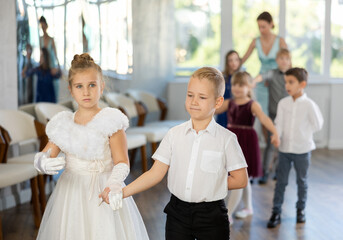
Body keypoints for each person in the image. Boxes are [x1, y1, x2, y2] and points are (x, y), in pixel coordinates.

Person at [119, 67, 248, 240]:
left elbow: (240, 179)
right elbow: (155, 173)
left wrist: (210, 183)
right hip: (177, 214)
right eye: (190, 95)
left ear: (217, 102)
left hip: (212, 216)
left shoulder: (227, 139)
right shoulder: (174, 134)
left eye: (202, 97)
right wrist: (123, 192)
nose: (194, 101)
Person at [33, 53, 149, 240]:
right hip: (71, 192)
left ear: (101, 87)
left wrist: (113, 183)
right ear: (71, 90)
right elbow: (47, 153)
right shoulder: (63, 123)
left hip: (104, 188)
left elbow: (122, 162)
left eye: (92, 85)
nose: (86, 92)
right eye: (79, 86)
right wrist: (42, 162)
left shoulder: (111, 120)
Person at [215, 71, 280, 223]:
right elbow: (212, 109)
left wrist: (275, 132)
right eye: (235, 84)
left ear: (249, 86)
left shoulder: (253, 105)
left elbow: (264, 118)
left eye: (242, 85)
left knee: (241, 178)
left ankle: (227, 214)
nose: (237, 88)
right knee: (241, 178)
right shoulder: (228, 103)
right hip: (232, 141)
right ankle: (249, 207)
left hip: (246, 142)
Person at [267, 67, 323, 228]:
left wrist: (304, 132)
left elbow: (318, 124)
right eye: (286, 82)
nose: (287, 85)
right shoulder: (283, 103)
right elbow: (279, 123)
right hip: (284, 150)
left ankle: (301, 210)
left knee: (302, 181)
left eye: (291, 82)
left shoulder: (309, 105)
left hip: (302, 151)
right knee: (281, 182)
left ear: (302, 84)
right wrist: (276, 135)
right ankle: (276, 211)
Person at [241, 11, 288, 144]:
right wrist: (231, 68)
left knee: (278, 115)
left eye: (264, 27)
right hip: (261, 83)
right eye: (259, 27)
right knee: (263, 116)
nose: (261, 30)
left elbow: (288, 62)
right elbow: (243, 58)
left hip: (277, 82)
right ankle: (269, 145)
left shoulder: (280, 41)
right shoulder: (256, 41)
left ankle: (277, 146)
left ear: (271, 24)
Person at [253, 48, 292, 184]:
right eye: (281, 58)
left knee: (284, 144)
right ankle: (265, 172)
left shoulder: (292, 77)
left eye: (286, 59)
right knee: (270, 144)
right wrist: (252, 82)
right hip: (273, 115)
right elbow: (261, 77)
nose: (283, 61)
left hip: (288, 116)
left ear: (290, 61)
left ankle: (279, 171)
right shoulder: (272, 74)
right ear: (277, 61)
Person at [216, 50, 241, 127]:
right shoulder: (221, 77)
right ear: (227, 62)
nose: (234, 63)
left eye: (236, 60)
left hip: (237, 111)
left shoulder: (242, 77)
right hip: (223, 112)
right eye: (231, 60)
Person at [39, 16, 60, 101]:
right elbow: (41, 54)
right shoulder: (40, 39)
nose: (43, 29)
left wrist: (58, 67)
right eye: (42, 27)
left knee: (53, 89)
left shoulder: (51, 39)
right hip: (44, 66)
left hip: (51, 66)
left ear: (47, 26)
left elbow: (55, 54)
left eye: (44, 26)